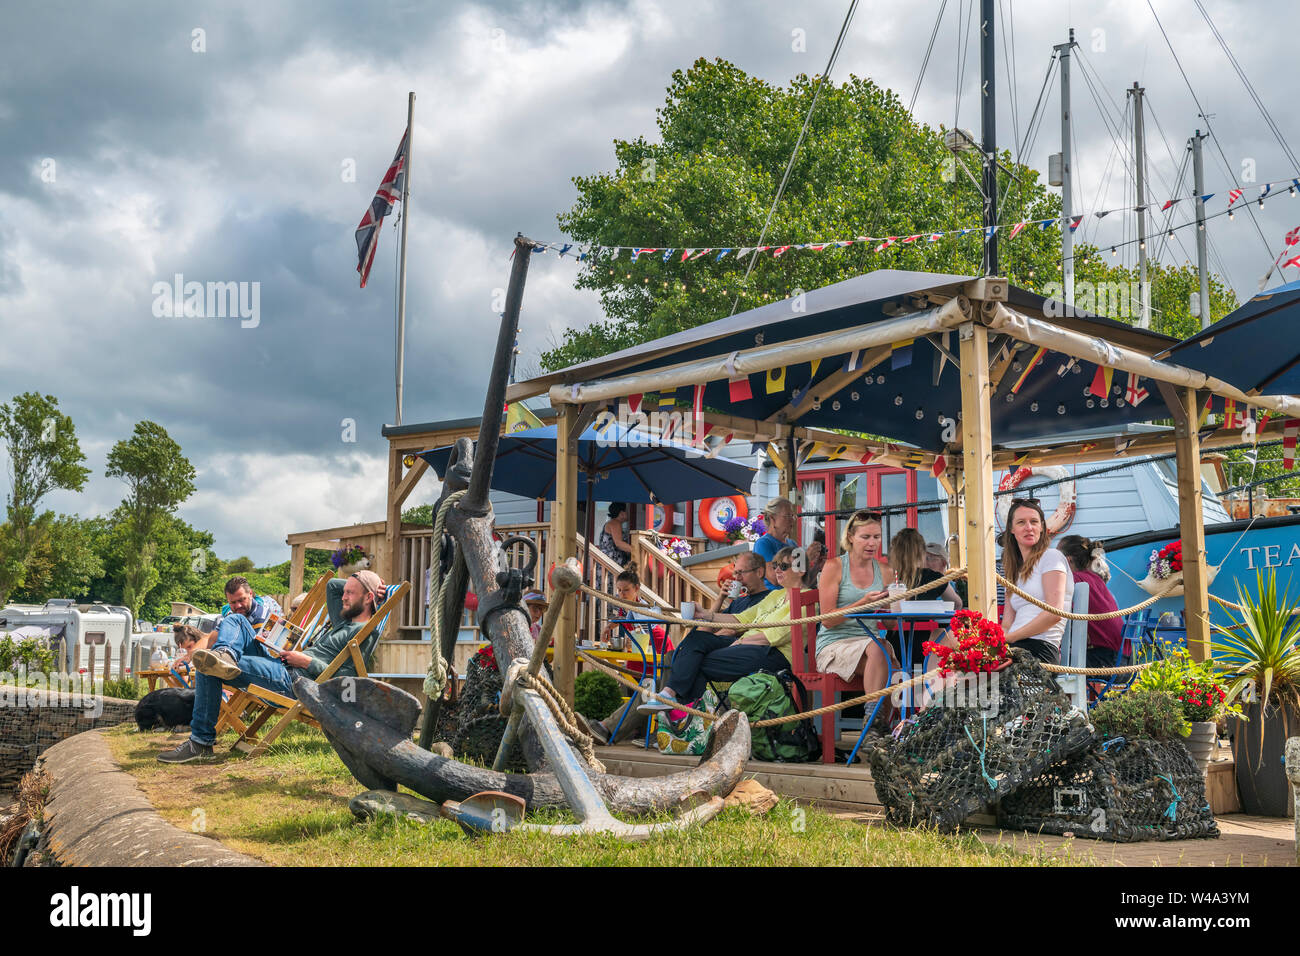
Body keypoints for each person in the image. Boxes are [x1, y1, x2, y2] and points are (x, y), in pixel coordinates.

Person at [157, 570, 389, 763]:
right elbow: (332, 585)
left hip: (295, 679)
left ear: (368, 598)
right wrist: (371, 582)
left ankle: (200, 743)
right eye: (345, 592)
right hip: (281, 665)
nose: (344, 596)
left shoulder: (364, 632)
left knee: (209, 663)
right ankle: (226, 653)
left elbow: (348, 677)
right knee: (236, 619)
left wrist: (305, 661)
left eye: (351, 593)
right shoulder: (344, 621)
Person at [639, 547, 807, 716]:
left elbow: (773, 637)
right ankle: (671, 697)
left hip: (773, 654)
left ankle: (684, 713)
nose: (777, 570)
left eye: (784, 566)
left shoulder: (807, 599)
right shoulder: (775, 595)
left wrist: (740, 642)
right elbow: (741, 619)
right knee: (696, 638)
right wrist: (705, 614)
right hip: (748, 647)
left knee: (696, 662)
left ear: (800, 570)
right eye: (776, 565)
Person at [814, 511, 896, 697]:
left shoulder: (885, 571)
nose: (872, 543)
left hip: (871, 646)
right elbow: (827, 620)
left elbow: (891, 624)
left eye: (876, 537)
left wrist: (894, 602)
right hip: (835, 644)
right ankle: (877, 721)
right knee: (888, 662)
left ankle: (875, 721)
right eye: (865, 537)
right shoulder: (834, 567)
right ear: (850, 537)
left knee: (890, 664)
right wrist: (863, 603)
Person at [999, 499, 1075, 665]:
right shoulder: (1014, 571)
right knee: (966, 671)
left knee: (983, 683)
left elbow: (1054, 613)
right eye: (1021, 522)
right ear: (1011, 529)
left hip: (1040, 648)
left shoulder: (1051, 557)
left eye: (1034, 522)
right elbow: (1006, 623)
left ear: (1041, 527)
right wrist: (995, 644)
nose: (1029, 527)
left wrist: (1010, 638)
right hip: (1014, 646)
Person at [885, 528, 963, 667]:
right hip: (928, 649)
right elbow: (957, 604)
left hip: (895, 649)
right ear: (921, 553)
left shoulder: (890, 580)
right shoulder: (933, 578)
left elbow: (886, 619)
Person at [1057, 534, 1123, 669]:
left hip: (1108, 660)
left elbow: (1059, 616)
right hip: (1122, 657)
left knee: (1045, 663)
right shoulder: (1094, 578)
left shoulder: (1074, 580)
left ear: (1068, 560)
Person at [752, 497, 797, 588]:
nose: (792, 520)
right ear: (772, 518)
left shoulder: (792, 544)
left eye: (793, 516)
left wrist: (816, 565)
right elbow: (775, 578)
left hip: (792, 596)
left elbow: (804, 578)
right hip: (774, 599)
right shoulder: (763, 543)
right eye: (788, 516)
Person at [219, 576, 283, 628]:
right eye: (233, 602)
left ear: (250, 594)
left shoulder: (265, 612)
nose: (238, 605)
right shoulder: (228, 614)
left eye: (241, 600)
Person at [598, 503, 632, 567]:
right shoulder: (615, 523)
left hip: (608, 561)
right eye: (626, 511)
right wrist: (635, 550)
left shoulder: (612, 522)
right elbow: (619, 543)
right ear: (622, 513)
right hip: (612, 562)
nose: (628, 513)